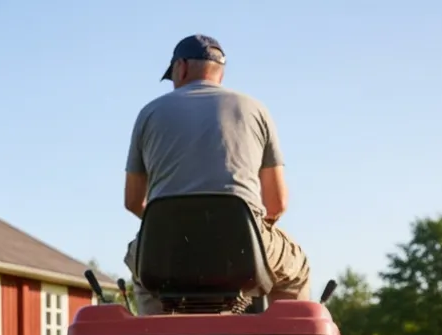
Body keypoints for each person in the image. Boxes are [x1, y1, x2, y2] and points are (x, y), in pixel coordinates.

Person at [122, 34, 311, 314]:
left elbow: (132, 201)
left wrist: (178, 228)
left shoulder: (148, 113)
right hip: (241, 245)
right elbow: (277, 204)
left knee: (142, 272)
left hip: (168, 248)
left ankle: (158, 333)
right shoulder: (255, 109)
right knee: (297, 269)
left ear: (181, 67)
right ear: (220, 72)